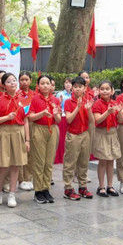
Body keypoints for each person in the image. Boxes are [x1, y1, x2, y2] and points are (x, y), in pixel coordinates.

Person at [0, 73, 29, 208]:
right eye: (9, 81)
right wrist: (7, 117)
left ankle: (12, 193)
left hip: (18, 132)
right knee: (2, 165)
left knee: (16, 165)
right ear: (4, 85)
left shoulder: (23, 100)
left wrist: (27, 139)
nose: (12, 83)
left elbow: (25, 120)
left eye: (14, 80)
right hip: (4, 132)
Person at [27, 74, 60, 204]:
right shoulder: (35, 99)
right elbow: (30, 117)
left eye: (48, 83)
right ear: (38, 86)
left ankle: (46, 189)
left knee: (49, 161)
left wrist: (56, 114)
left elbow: (58, 120)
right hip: (39, 129)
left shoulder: (55, 100)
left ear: (51, 85)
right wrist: (42, 113)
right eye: (43, 83)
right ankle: (38, 191)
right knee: (39, 161)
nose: (45, 86)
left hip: (52, 129)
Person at [62, 76, 93, 200]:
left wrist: (89, 109)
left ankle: (82, 186)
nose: (78, 89)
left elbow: (92, 120)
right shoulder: (68, 102)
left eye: (80, 87)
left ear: (84, 88)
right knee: (70, 162)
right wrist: (78, 107)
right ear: (72, 88)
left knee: (84, 161)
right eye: (75, 87)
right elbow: (69, 119)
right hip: (73, 135)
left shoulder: (87, 101)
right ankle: (68, 188)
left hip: (85, 134)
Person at [92, 80, 122, 197]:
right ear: (99, 91)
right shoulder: (97, 104)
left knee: (111, 160)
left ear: (112, 91)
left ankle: (110, 186)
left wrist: (120, 111)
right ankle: (101, 187)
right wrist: (108, 112)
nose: (105, 91)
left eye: (107, 89)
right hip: (102, 133)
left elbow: (120, 120)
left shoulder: (115, 103)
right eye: (102, 89)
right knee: (103, 161)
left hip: (113, 133)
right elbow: (97, 120)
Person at [15, 71, 36, 191]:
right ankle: (21, 179)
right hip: (20, 124)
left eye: (26, 79)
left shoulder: (35, 95)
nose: (24, 82)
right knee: (21, 151)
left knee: (31, 152)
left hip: (32, 124)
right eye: (22, 79)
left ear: (30, 81)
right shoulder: (16, 94)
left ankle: (28, 178)